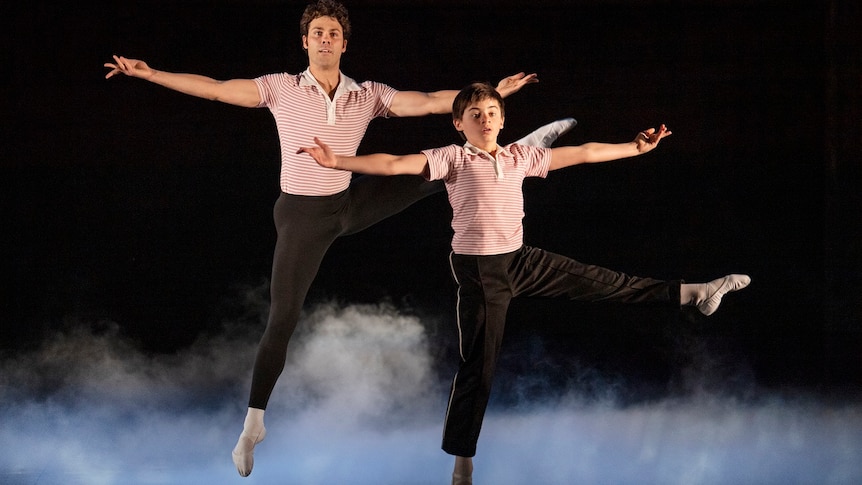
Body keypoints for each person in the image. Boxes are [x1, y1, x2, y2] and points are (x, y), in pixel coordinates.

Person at [104, 0, 577, 477]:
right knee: (282, 318)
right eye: (317, 32)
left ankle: (522, 153)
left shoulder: (365, 94)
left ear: (344, 44)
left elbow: (432, 100)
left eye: (333, 33)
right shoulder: (280, 88)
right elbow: (217, 91)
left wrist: (490, 94)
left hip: (349, 204)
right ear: (305, 42)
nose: (325, 39)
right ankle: (253, 425)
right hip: (302, 217)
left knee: (440, 166)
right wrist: (151, 75)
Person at [298, 81, 751, 485]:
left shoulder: (520, 156)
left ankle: (695, 294)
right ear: (459, 124)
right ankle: (462, 464)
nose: (485, 119)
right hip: (481, 274)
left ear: (503, 120)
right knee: (479, 366)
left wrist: (635, 148)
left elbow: (584, 152)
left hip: (521, 259)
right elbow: (396, 163)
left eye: (492, 113)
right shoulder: (451, 158)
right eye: (475, 114)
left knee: (606, 282)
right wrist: (337, 160)